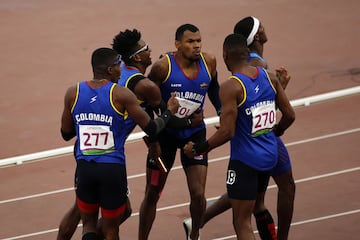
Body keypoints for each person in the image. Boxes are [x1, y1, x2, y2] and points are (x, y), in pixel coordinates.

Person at [183, 33, 295, 240]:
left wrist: (198, 149)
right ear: (246, 53)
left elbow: (227, 132)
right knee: (257, 206)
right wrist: (275, 132)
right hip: (269, 157)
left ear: (225, 56)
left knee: (241, 222)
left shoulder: (231, 87)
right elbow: (289, 115)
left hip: (245, 161)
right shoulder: (270, 77)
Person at [60, 47, 179, 240]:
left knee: (88, 224)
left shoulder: (73, 92)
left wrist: (87, 120)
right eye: (118, 66)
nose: (121, 70)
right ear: (109, 70)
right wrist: (169, 111)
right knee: (110, 229)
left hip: (85, 167)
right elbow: (152, 128)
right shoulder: (121, 95)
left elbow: (66, 133)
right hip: (112, 169)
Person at [138, 23, 221, 240]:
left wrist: (222, 111)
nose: (196, 46)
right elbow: (148, 103)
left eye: (198, 41)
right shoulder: (162, 67)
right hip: (165, 136)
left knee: (198, 194)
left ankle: (194, 234)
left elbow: (213, 87)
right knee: (153, 193)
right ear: (177, 44)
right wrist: (153, 138)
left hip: (195, 134)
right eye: (190, 42)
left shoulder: (209, 62)